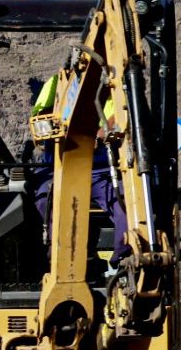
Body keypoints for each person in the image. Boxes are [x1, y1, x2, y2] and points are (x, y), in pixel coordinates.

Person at [30, 75, 131, 268]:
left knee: (123, 204)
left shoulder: (114, 85)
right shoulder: (58, 83)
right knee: (46, 200)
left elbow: (121, 114)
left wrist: (103, 131)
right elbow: (40, 117)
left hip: (100, 169)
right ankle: (62, 257)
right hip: (60, 168)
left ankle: (124, 256)